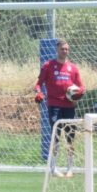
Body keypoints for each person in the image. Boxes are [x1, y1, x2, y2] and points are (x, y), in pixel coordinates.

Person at [34, 39, 85, 178]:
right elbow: (38, 84)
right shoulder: (48, 65)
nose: (65, 51)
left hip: (69, 106)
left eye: (67, 49)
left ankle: (70, 168)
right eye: (63, 49)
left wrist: (78, 94)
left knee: (70, 137)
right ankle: (53, 168)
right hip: (54, 106)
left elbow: (81, 88)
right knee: (55, 136)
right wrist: (39, 92)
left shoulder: (73, 68)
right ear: (57, 50)